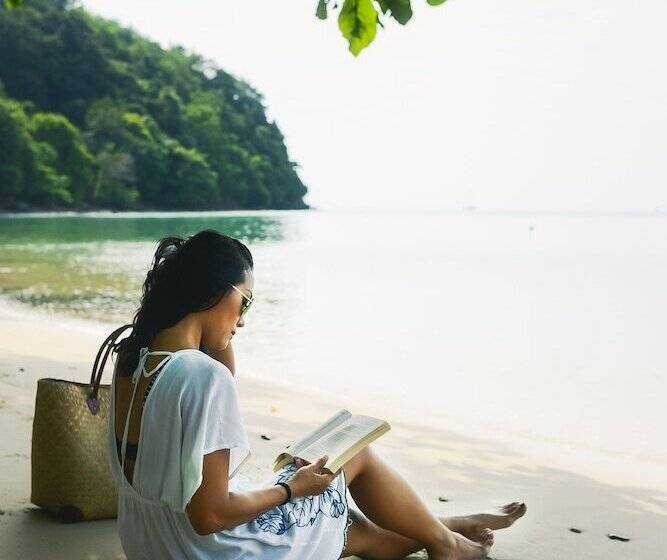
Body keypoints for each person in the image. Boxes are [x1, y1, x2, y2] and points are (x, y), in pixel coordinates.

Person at [100, 229, 526, 560]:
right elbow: (210, 515)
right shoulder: (202, 377)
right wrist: (292, 489)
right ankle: (445, 542)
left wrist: (218, 321)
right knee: (354, 455)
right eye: (246, 303)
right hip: (213, 550)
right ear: (216, 292)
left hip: (154, 544)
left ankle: (445, 527)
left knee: (352, 529)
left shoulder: (134, 359)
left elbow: (218, 374)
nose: (243, 321)